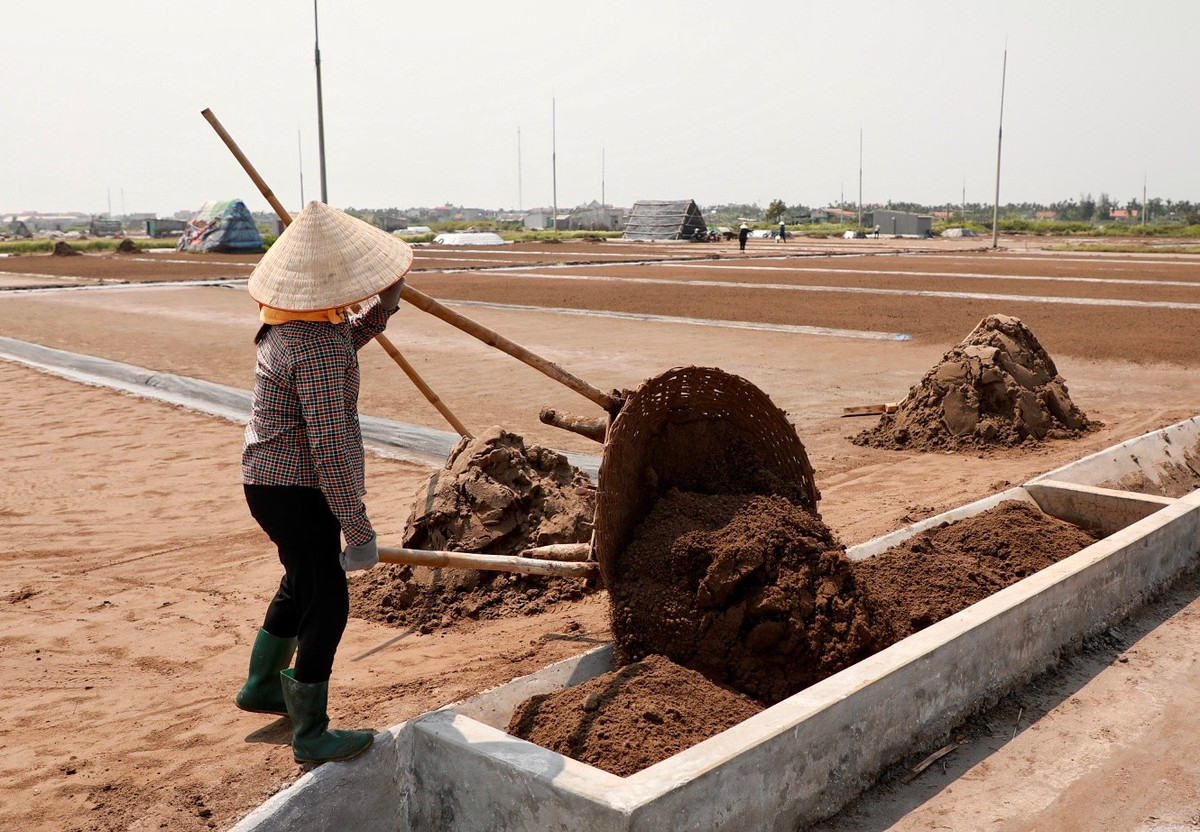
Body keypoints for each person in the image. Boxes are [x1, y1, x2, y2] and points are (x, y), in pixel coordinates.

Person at [235, 201, 414, 764]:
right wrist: (357, 528)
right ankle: (311, 733)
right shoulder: (315, 349)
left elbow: (336, 344)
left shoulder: (285, 328)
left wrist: (380, 313)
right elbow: (333, 452)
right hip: (298, 488)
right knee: (327, 601)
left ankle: (263, 688)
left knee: (301, 579)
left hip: (265, 481)